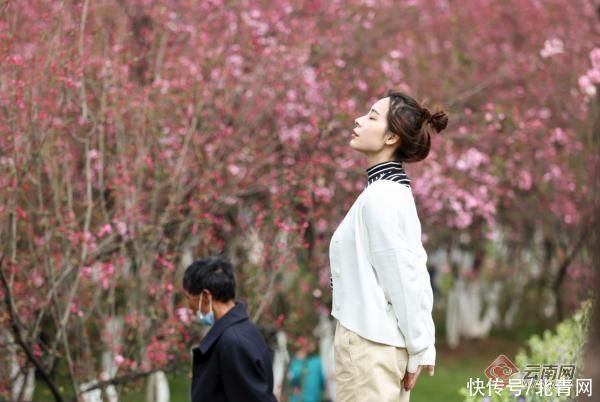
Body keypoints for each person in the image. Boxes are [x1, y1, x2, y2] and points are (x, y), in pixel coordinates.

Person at [329, 90, 448, 402]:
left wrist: (420, 347)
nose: (358, 120)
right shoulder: (386, 192)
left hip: (370, 347)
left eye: (370, 116)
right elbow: (413, 270)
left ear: (392, 136)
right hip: (372, 345)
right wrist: (422, 345)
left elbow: (405, 277)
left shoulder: (382, 196)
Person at [182, 255, 278, 402]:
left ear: (206, 296)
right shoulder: (243, 331)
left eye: (189, 298)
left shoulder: (233, 342)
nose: (189, 307)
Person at [287, 336, 325, 402]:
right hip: (298, 399)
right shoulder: (295, 363)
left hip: (313, 398)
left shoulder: (317, 361)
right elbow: (291, 378)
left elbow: (323, 381)